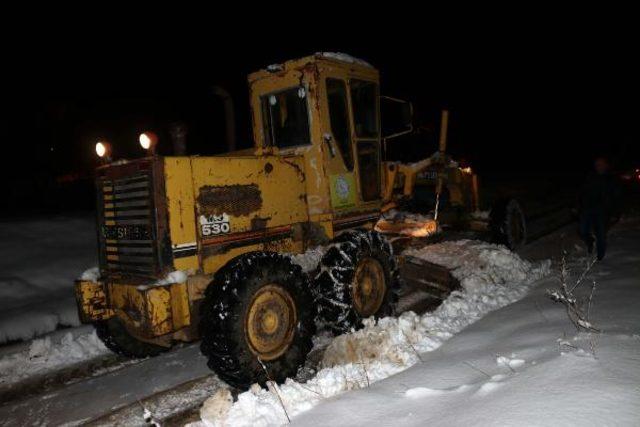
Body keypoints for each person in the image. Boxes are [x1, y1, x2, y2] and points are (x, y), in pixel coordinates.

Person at [578, 157, 620, 260]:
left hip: (603, 210)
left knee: (601, 233)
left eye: (601, 164)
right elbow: (582, 192)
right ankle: (590, 241)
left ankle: (600, 257)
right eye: (597, 164)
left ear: (606, 165)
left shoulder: (610, 178)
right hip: (588, 208)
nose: (599, 166)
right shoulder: (590, 176)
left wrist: (615, 212)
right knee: (583, 230)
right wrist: (578, 206)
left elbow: (616, 196)